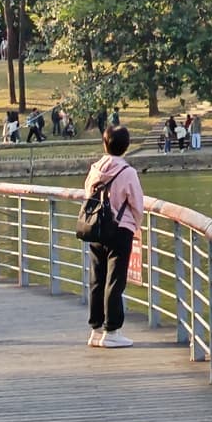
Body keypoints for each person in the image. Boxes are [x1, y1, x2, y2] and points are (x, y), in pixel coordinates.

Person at [80, 126, 143, 349]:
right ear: (126, 146)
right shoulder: (128, 172)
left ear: (104, 143)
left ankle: (96, 330)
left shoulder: (95, 169)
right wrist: (136, 225)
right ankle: (112, 331)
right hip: (120, 229)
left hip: (96, 229)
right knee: (115, 281)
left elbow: (88, 194)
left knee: (97, 279)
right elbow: (137, 204)